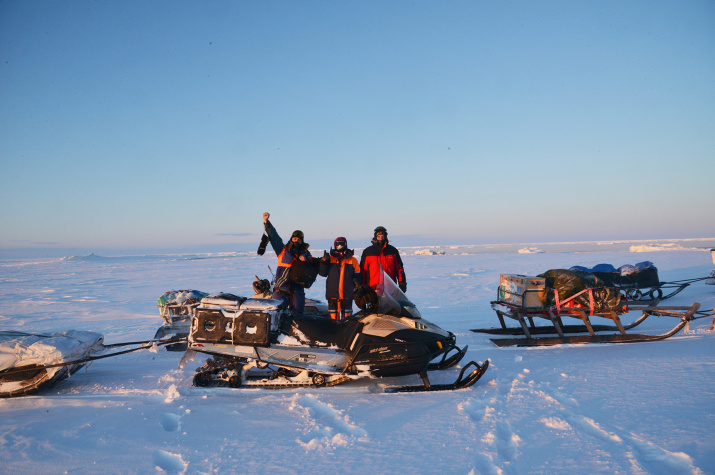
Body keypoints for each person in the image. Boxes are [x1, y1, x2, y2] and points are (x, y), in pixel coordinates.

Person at [262, 212, 312, 313]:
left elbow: (313, 267)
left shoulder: (306, 254)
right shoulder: (282, 250)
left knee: (298, 318)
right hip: (280, 290)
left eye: (299, 239)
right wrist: (267, 222)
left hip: (297, 292)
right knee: (277, 317)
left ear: (302, 241)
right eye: (294, 238)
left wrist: (305, 259)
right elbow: (274, 236)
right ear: (291, 239)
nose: (296, 241)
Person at [319, 237, 362, 320]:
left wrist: (358, 284)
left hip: (347, 293)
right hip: (333, 294)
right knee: (333, 318)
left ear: (345, 244)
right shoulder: (330, 258)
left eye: (342, 243)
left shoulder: (352, 260)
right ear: (334, 245)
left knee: (347, 318)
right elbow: (323, 273)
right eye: (337, 243)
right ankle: (333, 332)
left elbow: (357, 274)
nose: (340, 246)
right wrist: (323, 263)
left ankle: (347, 332)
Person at [360, 226, 407, 293]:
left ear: (385, 236)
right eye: (379, 236)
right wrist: (362, 286)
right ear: (375, 237)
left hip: (390, 288)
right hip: (373, 289)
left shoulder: (392, 251)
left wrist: (402, 282)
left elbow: (399, 269)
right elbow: (363, 271)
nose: (381, 238)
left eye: (382, 236)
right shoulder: (368, 252)